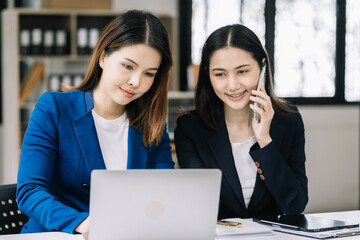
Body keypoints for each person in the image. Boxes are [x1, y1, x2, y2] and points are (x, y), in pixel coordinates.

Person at [17, 10, 174, 234]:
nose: (135, 82)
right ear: (103, 57)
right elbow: (29, 191)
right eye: (128, 66)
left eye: (149, 74)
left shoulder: (152, 123)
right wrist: (83, 223)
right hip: (59, 236)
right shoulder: (54, 108)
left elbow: (165, 193)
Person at [174, 24, 308, 219]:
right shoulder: (190, 128)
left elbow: (295, 205)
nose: (233, 85)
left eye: (242, 71)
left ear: (262, 65)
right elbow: (202, 204)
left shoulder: (289, 120)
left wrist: (264, 141)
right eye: (220, 74)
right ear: (207, 73)